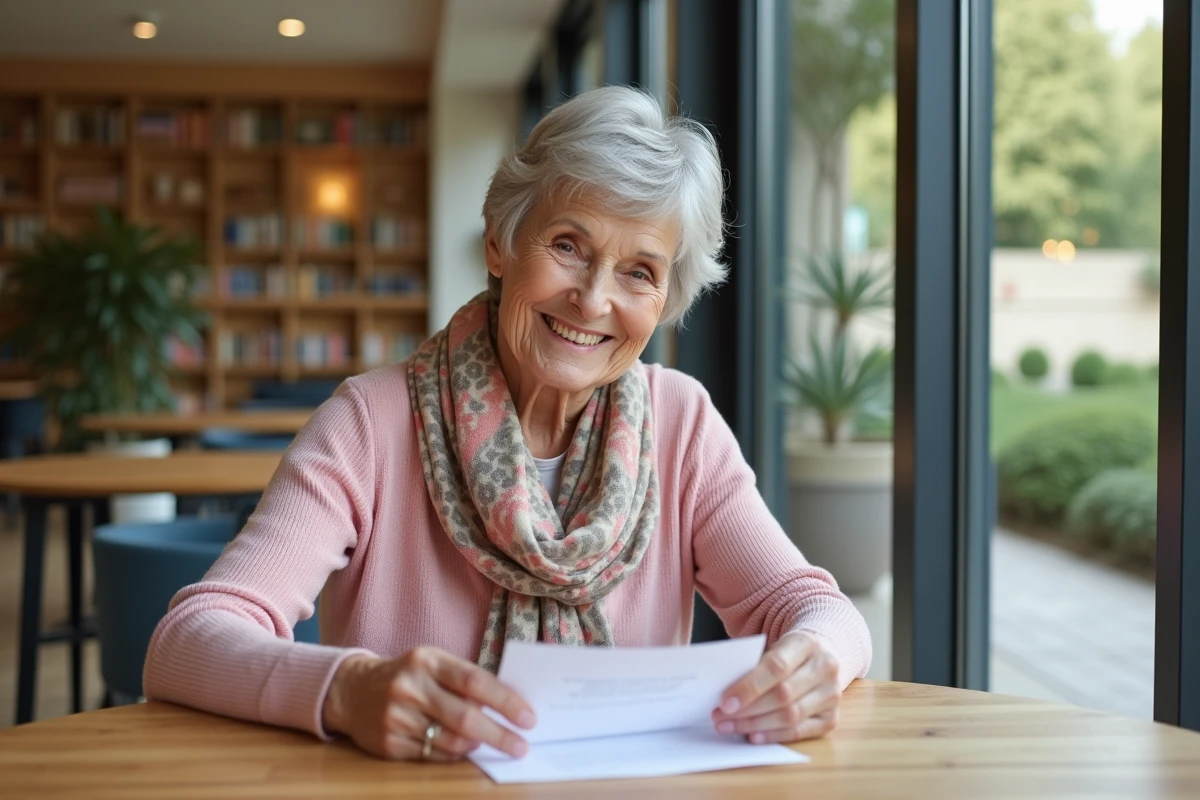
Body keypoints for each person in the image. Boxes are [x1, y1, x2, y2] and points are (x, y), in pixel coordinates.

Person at [143, 85, 872, 763]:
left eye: (639, 273)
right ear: (500, 242)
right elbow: (186, 642)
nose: (592, 300)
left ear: (665, 301)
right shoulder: (369, 423)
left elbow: (812, 608)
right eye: (568, 246)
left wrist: (815, 661)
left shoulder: (683, 425)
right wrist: (346, 688)